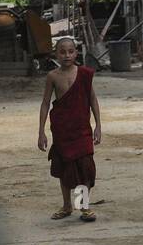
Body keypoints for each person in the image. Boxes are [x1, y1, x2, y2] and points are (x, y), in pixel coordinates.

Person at [37, 37, 102, 222]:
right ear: (56, 54)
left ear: (76, 53)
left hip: (81, 129)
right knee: (64, 167)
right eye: (62, 52)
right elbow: (45, 103)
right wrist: (41, 131)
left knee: (85, 168)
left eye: (71, 51)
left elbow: (92, 100)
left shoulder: (84, 74)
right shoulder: (53, 76)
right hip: (62, 129)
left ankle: (83, 206)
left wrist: (98, 125)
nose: (67, 55)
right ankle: (67, 205)